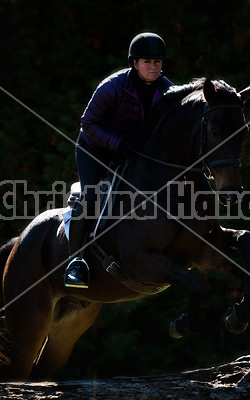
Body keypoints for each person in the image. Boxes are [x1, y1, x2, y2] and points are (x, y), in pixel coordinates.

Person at [64, 32, 174, 288]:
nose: (153, 67)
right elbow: (88, 123)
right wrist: (120, 144)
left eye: (157, 62)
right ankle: (75, 262)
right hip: (95, 150)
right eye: (147, 61)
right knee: (91, 198)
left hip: (134, 153)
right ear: (134, 63)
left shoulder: (167, 91)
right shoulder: (113, 86)